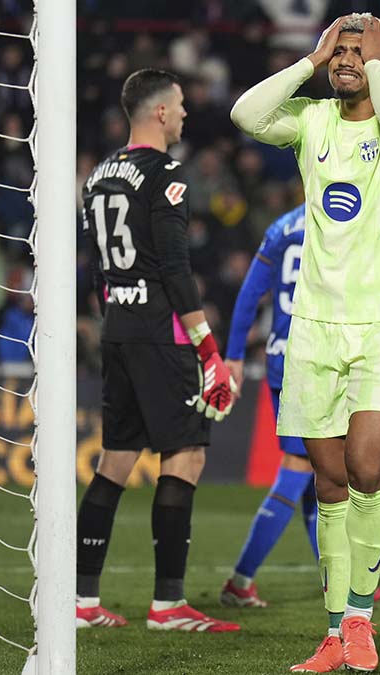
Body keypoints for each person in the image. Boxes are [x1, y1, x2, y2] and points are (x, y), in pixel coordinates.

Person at [231, 13, 380, 672]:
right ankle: (332, 633)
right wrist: (309, 61)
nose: (348, 58)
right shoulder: (313, 119)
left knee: (368, 467)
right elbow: (245, 113)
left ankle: (360, 617)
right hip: (314, 327)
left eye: (361, 49)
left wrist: (376, 63)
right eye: (340, 49)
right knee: (328, 482)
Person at [76, 68, 239, 632]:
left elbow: (97, 268)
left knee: (115, 462)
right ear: (161, 113)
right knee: (187, 454)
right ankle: (168, 604)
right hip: (162, 335)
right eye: (181, 105)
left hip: (117, 330)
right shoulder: (165, 174)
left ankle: (81, 601)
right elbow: (175, 267)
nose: (187, 114)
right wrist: (208, 347)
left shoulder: (97, 177)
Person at [219, 204, 319, 607]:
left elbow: (249, 293)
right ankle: (241, 579)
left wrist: (235, 355)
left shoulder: (281, 226)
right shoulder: (341, 215)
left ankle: (337, 576)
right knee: (299, 468)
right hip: (313, 359)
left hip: (279, 357)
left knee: (317, 467)